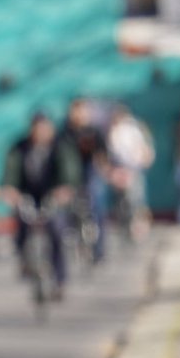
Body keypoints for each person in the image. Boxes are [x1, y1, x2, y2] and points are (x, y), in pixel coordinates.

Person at [2, 113, 81, 299]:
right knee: (22, 224)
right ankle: (24, 260)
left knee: (56, 230)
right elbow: (11, 172)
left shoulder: (60, 147)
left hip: (52, 196)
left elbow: (69, 172)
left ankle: (60, 279)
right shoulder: (20, 147)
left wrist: (64, 190)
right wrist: (11, 191)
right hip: (28, 195)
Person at [55, 98, 109, 262]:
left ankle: (98, 249)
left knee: (96, 206)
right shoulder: (64, 133)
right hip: (69, 175)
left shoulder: (93, 131)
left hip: (89, 173)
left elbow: (102, 154)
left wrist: (105, 170)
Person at [106, 104, 154, 242]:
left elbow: (143, 150)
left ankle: (138, 227)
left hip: (133, 168)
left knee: (136, 199)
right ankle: (127, 227)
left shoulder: (133, 129)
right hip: (120, 169)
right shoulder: (113, 131)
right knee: (123, 202)